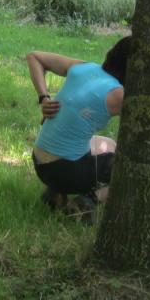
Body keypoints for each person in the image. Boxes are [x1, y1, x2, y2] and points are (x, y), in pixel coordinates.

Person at [26, 36, 130, 223]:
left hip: (39, 162)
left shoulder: (83, 67)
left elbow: (34, 57)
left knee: (109, 144)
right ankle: (85, 203)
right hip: (64, 170)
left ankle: (55, 193)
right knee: (126, 166)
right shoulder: (119, 96)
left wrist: (44, 97)